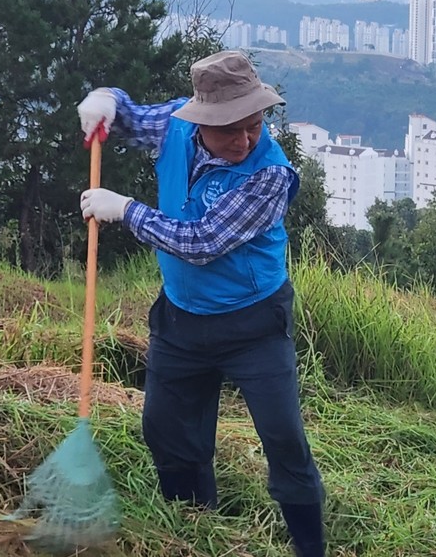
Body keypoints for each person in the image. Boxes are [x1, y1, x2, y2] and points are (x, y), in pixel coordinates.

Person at [75, 50, 326, 557]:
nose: (244, 139)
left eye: (253, 125)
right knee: (167, 434)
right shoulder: (174, 127)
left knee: (284, 441)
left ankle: (309, 547)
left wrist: (125, 209)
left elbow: (203, 242)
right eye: (229, 128)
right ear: (201, 121)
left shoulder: (269, 174)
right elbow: (128, 117)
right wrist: (106, 102)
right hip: (181, 321)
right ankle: (193, 533)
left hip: (253, 323)